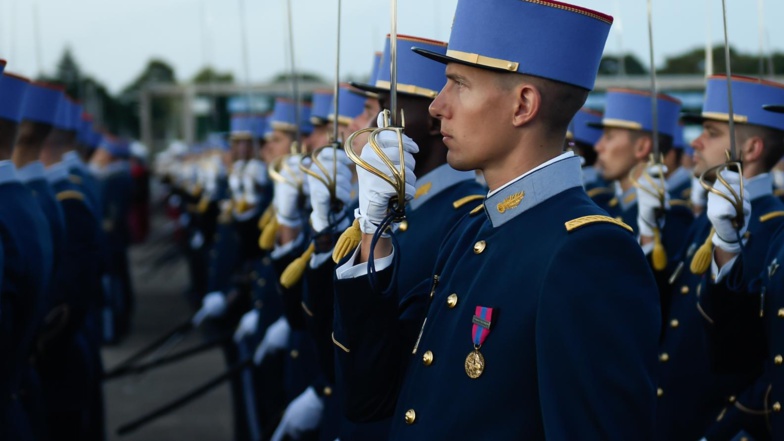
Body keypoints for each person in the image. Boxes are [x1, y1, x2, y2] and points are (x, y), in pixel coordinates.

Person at [332, 0, 660, 439]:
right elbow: (370, 397)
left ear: (523, 105)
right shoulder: (471, 229)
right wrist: (374, 231)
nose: (437, 105)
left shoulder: (587, 251)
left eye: (458, 84)